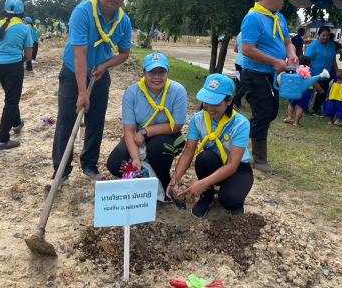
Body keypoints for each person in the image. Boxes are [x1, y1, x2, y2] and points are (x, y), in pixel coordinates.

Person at [52, 0, 132, 182]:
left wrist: (105, 65)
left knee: (96, 120)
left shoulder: (124, 21)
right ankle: (61, 171)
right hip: (73, 72)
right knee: (67, 120)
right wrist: (81, 92)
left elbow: (124, 54)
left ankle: (89, 165)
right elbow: (80, 54)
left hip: (99, 75)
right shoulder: (83, 12)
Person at [167, 74, 253, 218]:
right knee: (204, 157)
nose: (209, 108)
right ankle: (207, 197)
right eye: (206, 101)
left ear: (229, 101)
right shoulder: (198, 119)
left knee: (230, 200)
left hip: (238, 168)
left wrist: (202, 183)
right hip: (213, 163)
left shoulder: (241, 124)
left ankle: (228, 195)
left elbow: (232, 165)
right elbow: (188, 152)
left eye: (215, 103)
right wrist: (174, 180)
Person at [106, 53, 187, 192]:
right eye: (152, 72)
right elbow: (129, 130)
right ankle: (142, 183)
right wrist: (135, 158)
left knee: (158, 149)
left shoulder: (178, 91)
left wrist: (146, 132)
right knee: (115, 164)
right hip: (136, 135)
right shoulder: (132, 92)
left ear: (168, 73)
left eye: (161, 72)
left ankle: (163, 180)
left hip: (168, 134)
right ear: (144, 72)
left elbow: (177, 125)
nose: (157, 77)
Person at [241, 0, 298, 172]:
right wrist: (275, 61)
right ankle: (259, 159)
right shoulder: (253, 17)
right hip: (255, 74)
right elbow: (247, 49)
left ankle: (233, 133)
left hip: (272, 76)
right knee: (263, 113)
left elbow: (287, 42)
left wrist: (292, 55)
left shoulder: (278, 17)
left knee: (270, 112)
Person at [0, 0, 33, 151]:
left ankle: (16, 124)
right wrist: (18, 60)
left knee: (11, 95)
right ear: (22, 13)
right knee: (11, 100)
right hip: (13, 65)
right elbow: (29, 55)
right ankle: (2, 140)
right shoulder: (25, 28)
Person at [305, 27, 338, 116]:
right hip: (312, 74)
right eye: (323, 35)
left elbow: (333, 60)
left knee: (322, 92)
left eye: (327, 36)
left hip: (325, 74)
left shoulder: (332, 46)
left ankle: (316, 109)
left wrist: (337, 70)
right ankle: (304, 108)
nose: (325, 37)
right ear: (319, 35)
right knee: (309, 92)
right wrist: (308, 73)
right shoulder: (313, 45)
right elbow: (306, 60)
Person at [283, 56, 323, 127]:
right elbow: (314, 82)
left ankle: (289, 117)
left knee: (292, 103)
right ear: (309, 63)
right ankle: (296, 122)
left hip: (295, 89)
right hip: (306, 91)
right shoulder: (310, 71)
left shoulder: (296, 69)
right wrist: (319, 90)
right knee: (300, 106)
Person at [233, 32, 245, 108]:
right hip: (246, 62)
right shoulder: (250, 33)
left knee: (238, 82)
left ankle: (237, 103)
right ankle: (235, 100)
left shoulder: (239, 34)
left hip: (237, 61)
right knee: (245, 84)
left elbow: (235, 49)